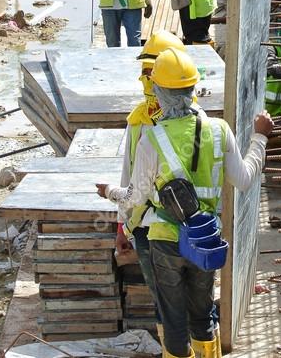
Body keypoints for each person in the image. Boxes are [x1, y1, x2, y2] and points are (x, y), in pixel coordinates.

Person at [98, 49, 273, 358]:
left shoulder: (151, 138)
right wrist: (260, 138)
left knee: (173, 320)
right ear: (193, 90)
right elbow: (244, 179)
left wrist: (110, 191)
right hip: (204, 240)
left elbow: (133, 198)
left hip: (165, 242)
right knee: (203, 316)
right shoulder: (219, 130)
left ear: (159, 93)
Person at [112, 29, 189, 346]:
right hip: (148, 228)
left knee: (190, 304)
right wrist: (122, 227)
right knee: (166, 304)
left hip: (185, 226)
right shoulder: (139, 119)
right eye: (143, 71)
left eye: (151, 71)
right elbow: (127, 175)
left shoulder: (195, 122)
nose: (145, 79)